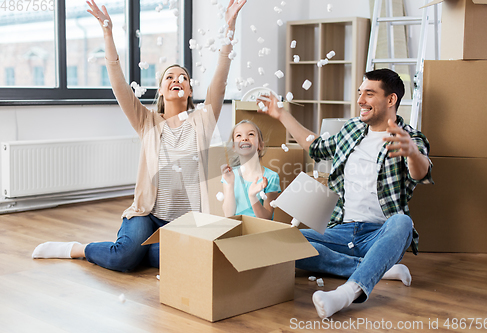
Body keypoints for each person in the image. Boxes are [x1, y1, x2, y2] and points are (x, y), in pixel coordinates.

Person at [31, 0, 246, 272]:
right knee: (124, 259)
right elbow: (119, 84)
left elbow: (221, 78)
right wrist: (108, 35)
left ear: (190, 90)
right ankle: (78, 249)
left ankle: (138, 251)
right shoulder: (147, 121)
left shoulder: (203, 120)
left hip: (186, 221)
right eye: (169, 77)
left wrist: (229, 27)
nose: (176, 79)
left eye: (183, 77)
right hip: (148, 215)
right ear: (161, 89)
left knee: (165, 258)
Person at [256, 68, 433, 318]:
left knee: (403, 222)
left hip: (381, 234)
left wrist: (412, 152)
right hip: (341, 231)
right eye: (360, 93)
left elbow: (421, 173)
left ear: (391, 99)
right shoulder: (351, 131)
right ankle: (376, 268)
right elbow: (316, 147)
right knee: (281, 241)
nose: (360, 100)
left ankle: (346, 293)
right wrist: (280, 114)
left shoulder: (411, 138)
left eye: (369, 94)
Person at [220, 120, 281, 219]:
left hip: (259, 232)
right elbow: (228, 215)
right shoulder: (229, 176)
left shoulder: (271, 177)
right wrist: (230, 184)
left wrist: (252, 197)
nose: (244, 138)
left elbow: (266, 219)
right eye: (238, 136)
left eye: (251, 134)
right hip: (237, 230)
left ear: (260, 145)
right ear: (234, 147)